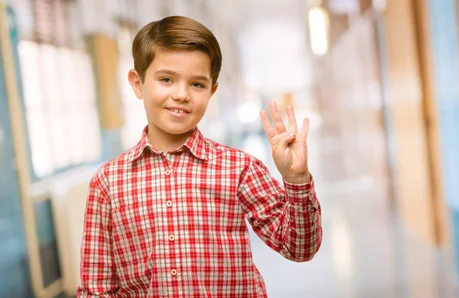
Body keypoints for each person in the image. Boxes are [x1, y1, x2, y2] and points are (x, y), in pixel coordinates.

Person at [77, 15, 323, 297]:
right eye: (166, 79)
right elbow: (96, 288)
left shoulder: (239, 169)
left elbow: (300, 248)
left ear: (212, 90)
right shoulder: (108, 182)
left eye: (197, 84)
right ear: (137, 83)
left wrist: (296, 178)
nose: (181, 95)